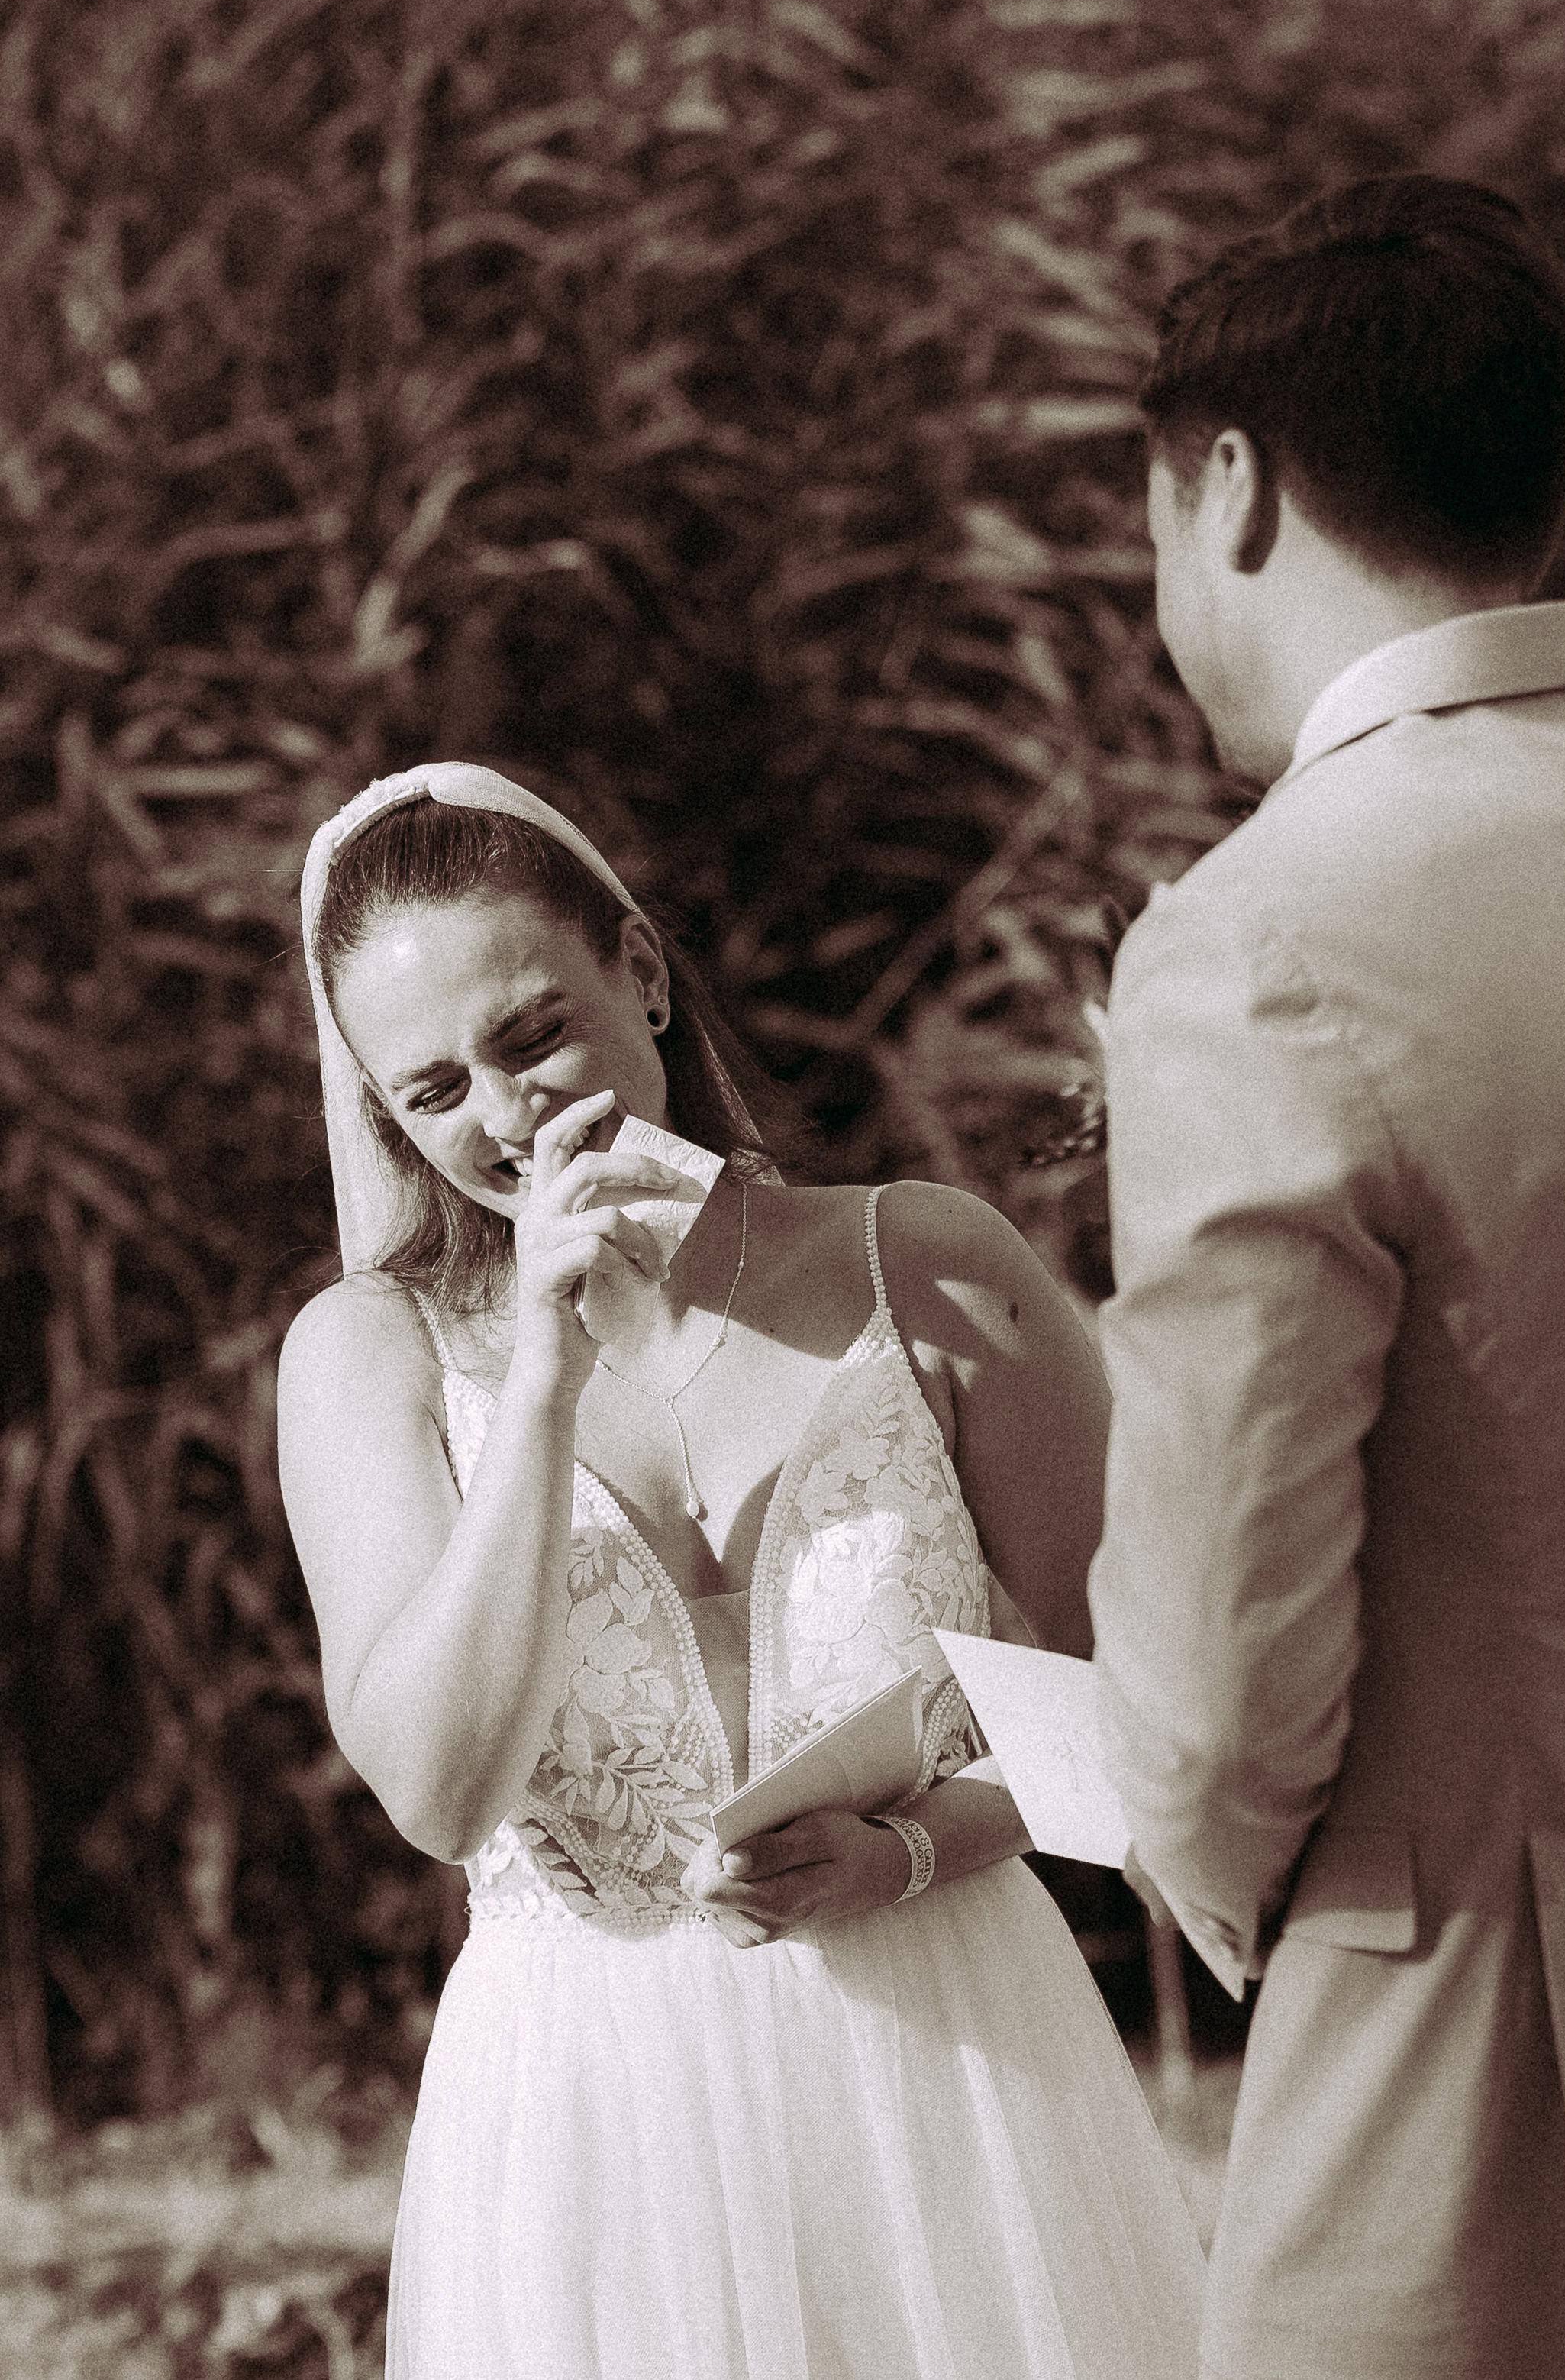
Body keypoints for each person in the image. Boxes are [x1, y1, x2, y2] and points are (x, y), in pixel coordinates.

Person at [278, 760, 1204, 2380]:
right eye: (430, 1091)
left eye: (529, 1033)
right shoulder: (367, 1359)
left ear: (640, 968)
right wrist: (544, 1380)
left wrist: (909, 1852)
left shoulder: (929, 1265)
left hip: (960, 2071)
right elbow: (436, 1789)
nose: (500, 1116)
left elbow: (1145, 1718)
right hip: (591, 2109)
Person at [1089, 173, 1565, 2380]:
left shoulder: (1263, 932)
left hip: (1478, 2047)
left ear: (1224, 489)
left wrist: (1202, 1867)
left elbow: (1222, 1672)